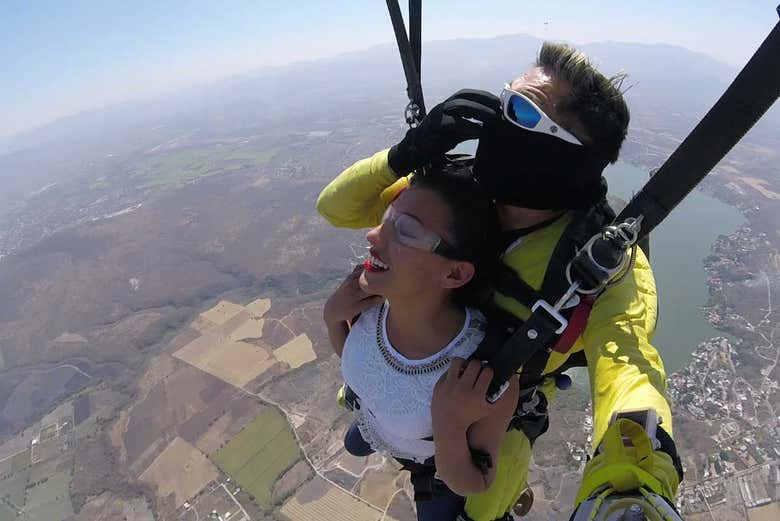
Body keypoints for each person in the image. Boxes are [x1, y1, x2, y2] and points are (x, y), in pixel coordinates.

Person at [317, 42, 684, 521]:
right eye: (503, 99)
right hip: (397, 374)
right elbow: (336, 209)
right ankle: (380, 424)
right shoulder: (455, 194)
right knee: (367, 423)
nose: (498, 120)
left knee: (472, 511)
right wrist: (405, 154)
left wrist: (634, 486)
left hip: (491, 416)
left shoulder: (601, 262)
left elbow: (629, 370)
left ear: (571, 152)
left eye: (521, 110)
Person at [321, 164, 521, 521]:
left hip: (433, 465)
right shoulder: (371, 305)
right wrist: (333, 318)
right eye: (387, 219)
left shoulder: (482, 370)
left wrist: (449, 426)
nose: (372, 235)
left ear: (454, 273)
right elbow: (362, 362)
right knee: (356, 444)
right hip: (376, 419)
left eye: (406, 230)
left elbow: (475, 482)